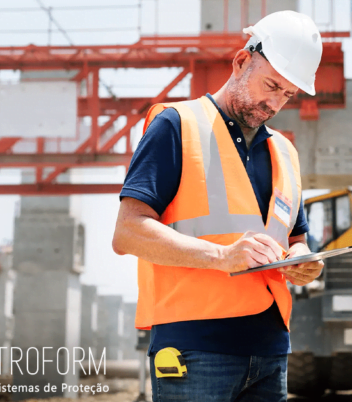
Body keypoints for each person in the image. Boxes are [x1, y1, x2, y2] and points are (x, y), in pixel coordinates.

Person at [111, 10, 325, 402]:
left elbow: (296, 239)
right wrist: (223, 256)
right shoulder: (177, 125)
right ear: (242, 61)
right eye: (270, 85)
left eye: (287, 94)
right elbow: (128, 233)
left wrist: (303, 259)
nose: (274, 102)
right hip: (196, 349)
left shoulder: (285, 152)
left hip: (271, 351)